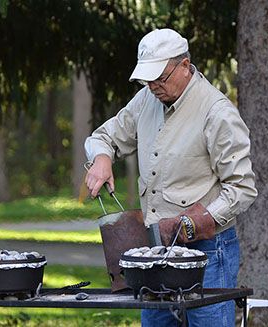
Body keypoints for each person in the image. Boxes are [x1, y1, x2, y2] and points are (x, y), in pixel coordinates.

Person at [84, 28, 257, 327]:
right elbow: (105, 137)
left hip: (208, 252)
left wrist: (189, 224)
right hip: (154, 254)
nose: (153, 87)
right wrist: (101, 158)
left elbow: (242, 188)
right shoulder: (145, 101)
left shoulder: (218, 113)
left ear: (185, 66)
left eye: (160, 78)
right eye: (147, 80)